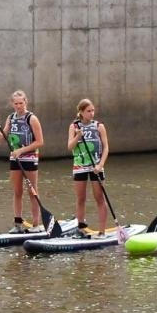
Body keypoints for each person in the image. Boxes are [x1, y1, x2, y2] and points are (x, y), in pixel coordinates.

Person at [0, 90, 43, 232]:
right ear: (12, 104)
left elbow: (40, 142)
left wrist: (21, 150)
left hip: (30, 158)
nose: (19, 106)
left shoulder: (32, 118)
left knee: (32, 192)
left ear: (26, 102)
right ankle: (17, 224)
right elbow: (1, 138)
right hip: (15, 159)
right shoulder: (11, 118)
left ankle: (36, 225)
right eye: (16, 103)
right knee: (17, 191)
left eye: (21, 103)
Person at [67, 98, 110, 233]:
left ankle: (102, 231)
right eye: (88, 111)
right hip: (80, 166)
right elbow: (70, 147)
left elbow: (106, 148)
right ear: (81, 112)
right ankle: (80, 228)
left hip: (96, 167)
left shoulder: (99, 126)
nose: (91, 113)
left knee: (99, 198)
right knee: (81, 198)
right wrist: (78, 136)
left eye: (93, 111)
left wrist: (100, 165)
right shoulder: (74, 126)